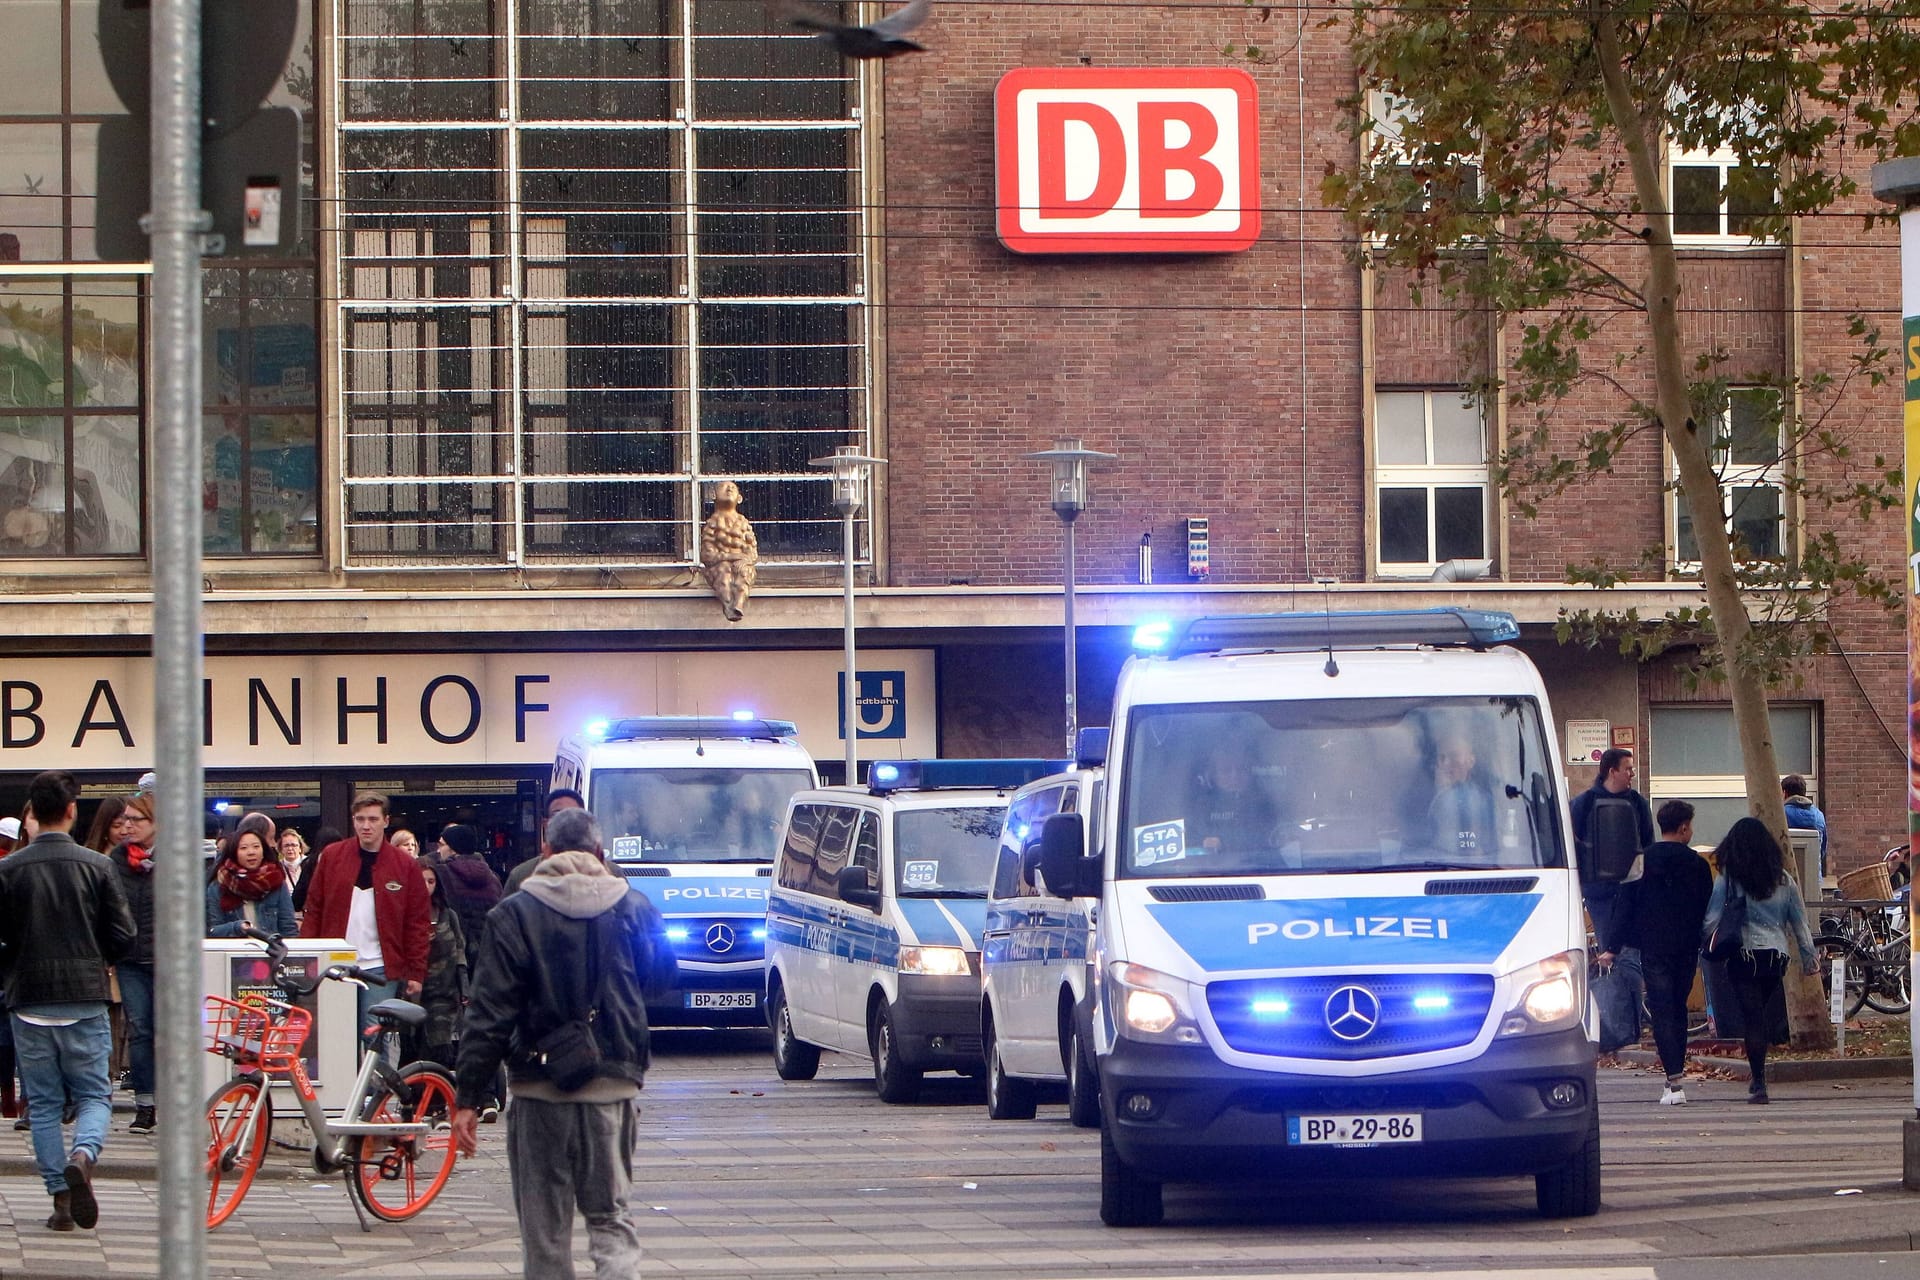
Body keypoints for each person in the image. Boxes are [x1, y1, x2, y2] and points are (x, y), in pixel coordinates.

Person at [452, 807, 675, 1277]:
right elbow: (661, 979)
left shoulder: (512, 913)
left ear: (545, 852)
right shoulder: (634, 905)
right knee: (611, 1217)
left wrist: (468, 1097)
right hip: (612, 1088)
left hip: (539, 1089)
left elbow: (489, 1013)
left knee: (545, 1231)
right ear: (600, 852)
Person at [0, 770, 136, 1232]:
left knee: (40, 1104)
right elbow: (124, 934)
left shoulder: (8, 869)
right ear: (73, 811)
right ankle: (84, 1153)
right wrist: (101, 959)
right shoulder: (98, 867)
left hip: (29, 998)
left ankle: (60, 1197)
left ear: (32, 813)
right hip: (84, 995)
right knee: (94, 1093)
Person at [1596, 800, 1713, 1105]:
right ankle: (1676, 1072)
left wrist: (1612, 946)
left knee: (1661, 1009)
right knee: (1678, 1007)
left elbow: (1625, 905)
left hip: (1653, 946)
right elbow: (1705, 907)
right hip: (1686, 946)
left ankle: (1672, 1079)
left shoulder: (1641, 861)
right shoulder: (1698, 865)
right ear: (1684, 827)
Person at [1702, 816, 1817, 1105]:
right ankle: (1759, 1078)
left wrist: (1702, 942)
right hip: (1775, 957)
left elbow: (1713, 918)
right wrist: (1809, 957)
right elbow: (1799, 922)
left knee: (1751, 1017)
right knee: (1760, 1015)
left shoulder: (1729, 877)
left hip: (1743, 955)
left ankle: (1759, 1081)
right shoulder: (1783, 879)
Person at [301, 793, 432, 1038]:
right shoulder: (331, 856)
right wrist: (307, 956)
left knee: (375, 1036)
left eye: (372, 819)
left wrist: (416, 971)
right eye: (360, 819)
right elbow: (314, 909)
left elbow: (417, 923)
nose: (366, 825)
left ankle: (380, 1078)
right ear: (353, 821)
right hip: (335, 962)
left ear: (386, 821)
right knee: (335, 1036)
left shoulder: (405, 865)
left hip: (380, 965)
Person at [107, 795, 159, 1135]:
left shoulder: (178, 856)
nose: (127, 826)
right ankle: (145, 1105)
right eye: (125, 819)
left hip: (169, 959)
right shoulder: (116, 859)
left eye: (136, 820)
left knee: (171, 1033)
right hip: (130, 957)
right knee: (140, 1030)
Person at [403, 854, 468, 1070]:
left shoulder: (448, 915)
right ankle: (414, 1098)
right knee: (411, 1046)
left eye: (431, 881)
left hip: (444, 991)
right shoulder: (405, 913)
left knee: (440, 1047)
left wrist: (464, 988)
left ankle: (438, 1097)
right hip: (413, 991)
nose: (426, 886)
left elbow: (460, 952)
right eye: (421, 880)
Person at [1186, 743, 1282, 864]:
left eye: (1241, 769)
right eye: (1226, 770)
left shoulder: (1265, 804)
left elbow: (1271, 838)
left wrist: (1225, 843)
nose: (1234, 776)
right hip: (1212, 872)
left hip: (1264, 869)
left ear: (1250, 772)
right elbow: (1189, 841)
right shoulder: (1201, 806)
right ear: (1213, 775)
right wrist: (1203, 843)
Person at [205, 827, 297, 939]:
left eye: (256, 847)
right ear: (234, 852)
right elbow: (213, 931)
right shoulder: (218, 886)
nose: (251, 852)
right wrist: (238, 927)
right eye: (243, 848)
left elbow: (289, 929)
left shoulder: (276, 882)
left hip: (271, 953)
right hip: (235, 953)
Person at [436, 824, 504, 970]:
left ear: (453, 848)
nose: (438, 850)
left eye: (442, 845)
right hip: (489, 953)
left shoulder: (441, 874)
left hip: (455, 954)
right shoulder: (492, 877)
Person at [1427, 733, 1496, 861]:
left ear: (1471, 761)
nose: (1446, 763)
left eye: (1453, 756)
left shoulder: (1482, 800)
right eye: (1441, 758)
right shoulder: (1421, 800)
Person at [507, 789, 585, 894]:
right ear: (545, 823)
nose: (565, 821)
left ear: (585, 821)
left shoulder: (609, 874)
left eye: (573, 815)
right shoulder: (521, 876)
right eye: (558, 815)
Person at [1781, 775, 1828, 879]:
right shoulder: (1819, 815)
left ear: (1785, 793)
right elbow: (1822, 849)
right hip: (1814, 877)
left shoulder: (1780, 815)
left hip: (1787, 878)